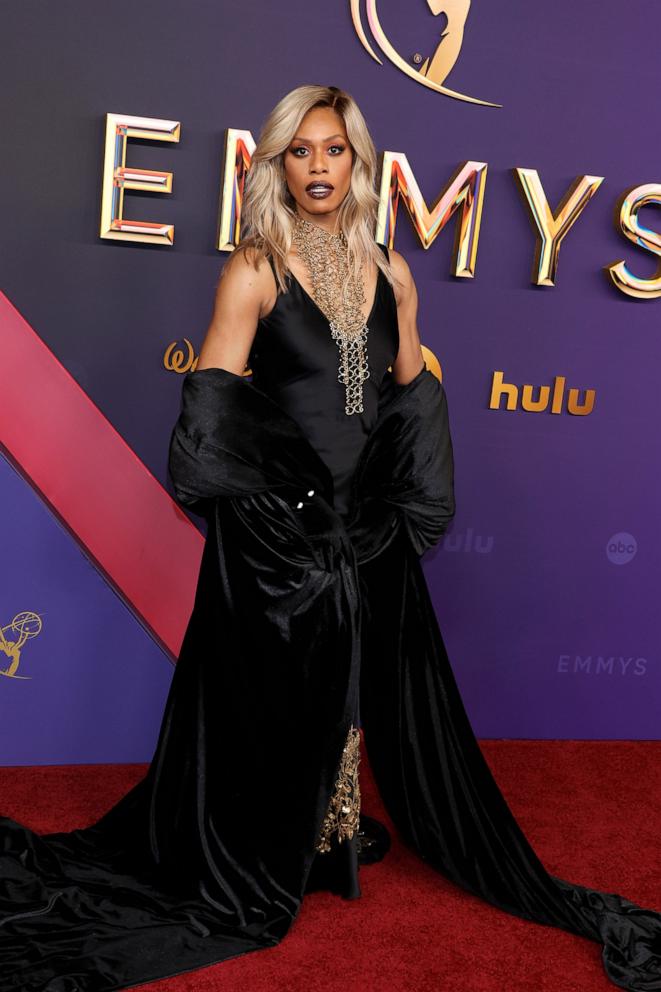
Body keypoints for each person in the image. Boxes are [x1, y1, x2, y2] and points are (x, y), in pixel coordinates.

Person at [0, 83, 659, 992]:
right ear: (274, 163)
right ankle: (262, 839)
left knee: (346, 680)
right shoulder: (253, 269)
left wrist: (395, 496)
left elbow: (405, 390)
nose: (317, 167)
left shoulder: (390, 269)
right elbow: (214, 415)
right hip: (276, 529)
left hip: (362, 526)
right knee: (268, 688)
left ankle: (326, 826)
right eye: (299, 151)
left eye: (333, 149)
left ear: (359, 161)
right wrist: (278, 512)